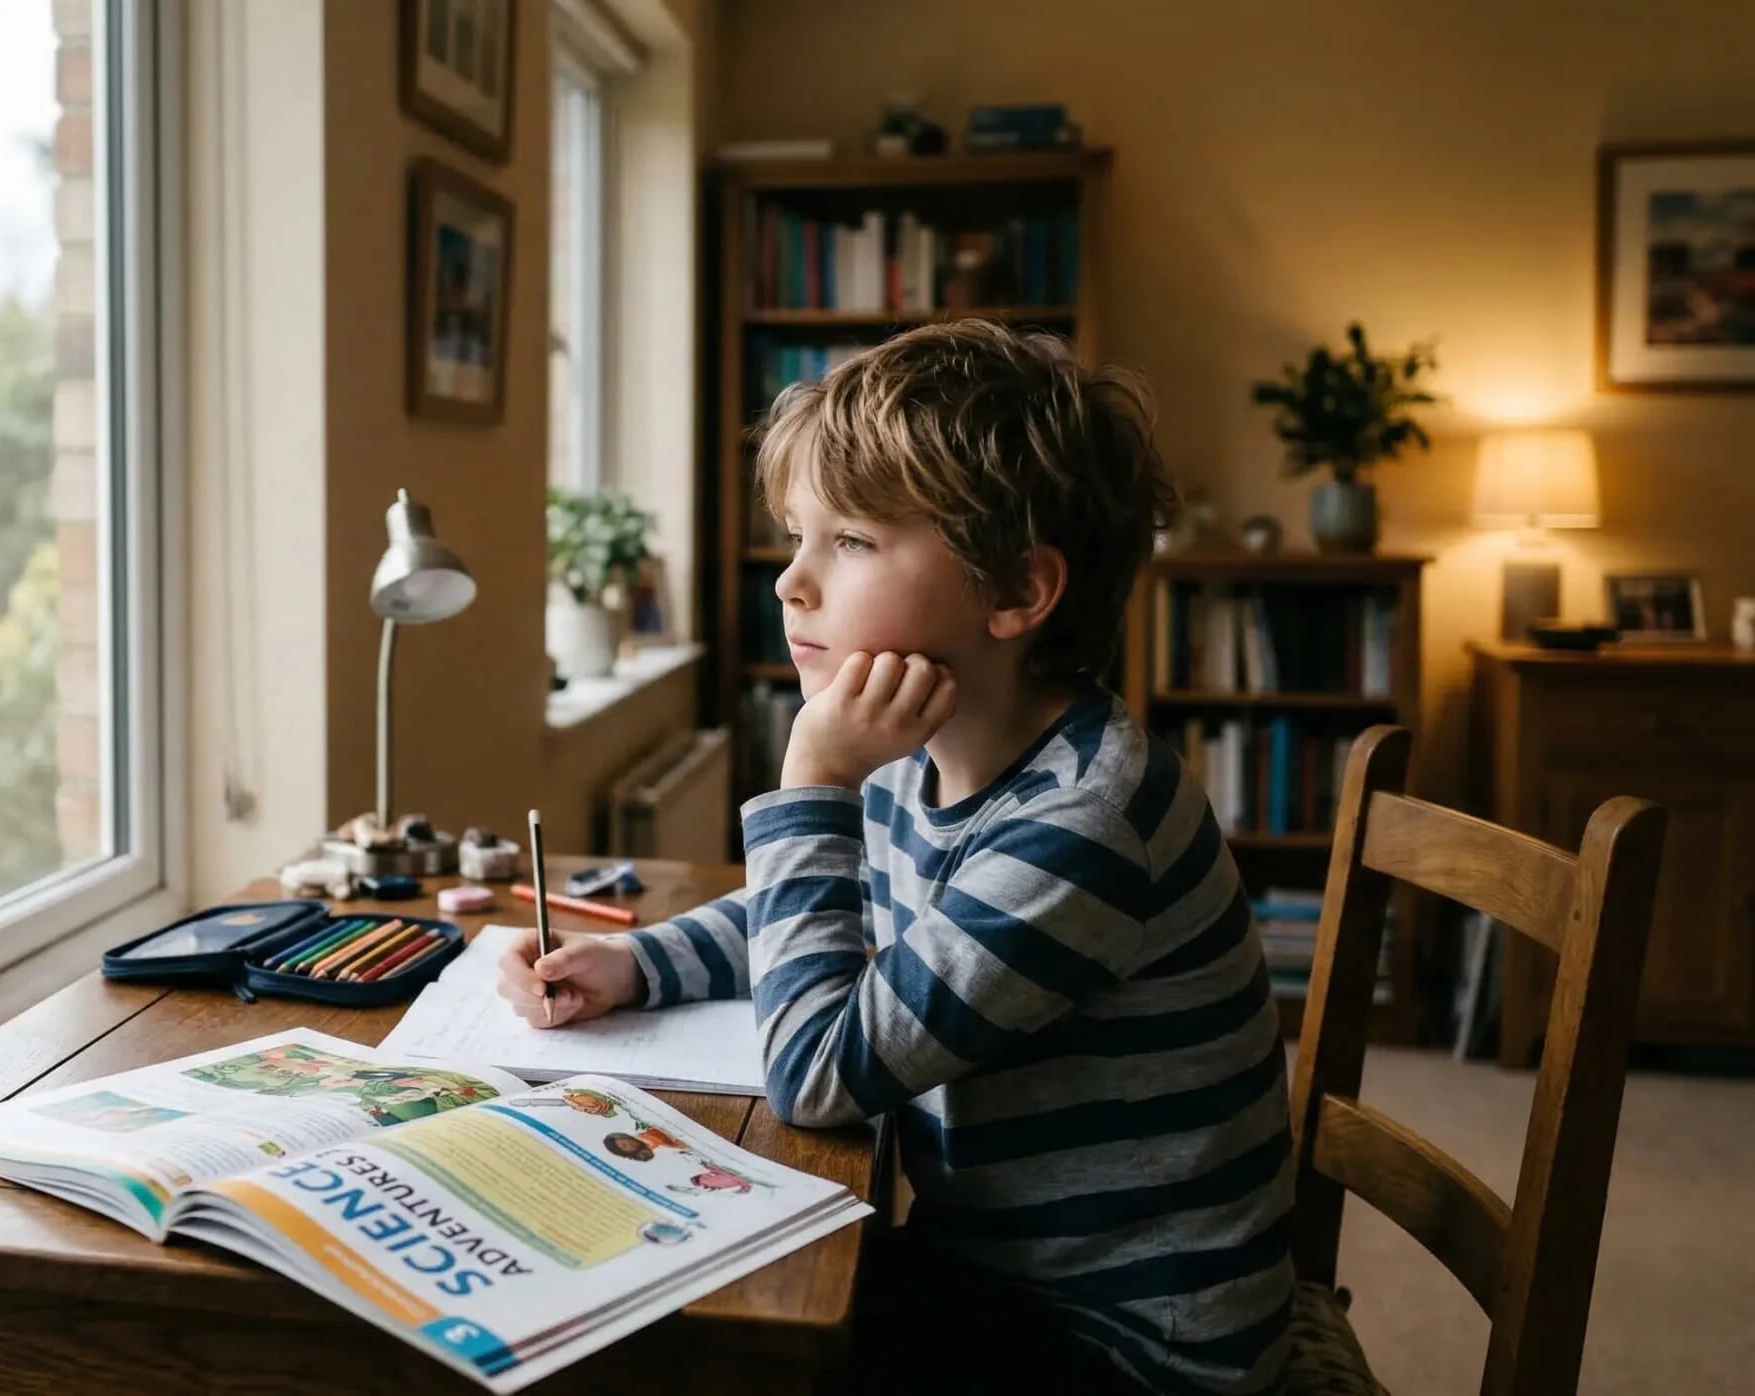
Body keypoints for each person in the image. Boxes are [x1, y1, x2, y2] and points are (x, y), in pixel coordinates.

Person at [496, 321, 1291, 1393]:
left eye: (851, 542)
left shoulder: (1085, 822)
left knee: (673, 1345)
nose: (791, 583)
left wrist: (808, 786)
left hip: (1127, 1346)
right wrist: (643, 963)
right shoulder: (929, 755)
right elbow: (862, 900)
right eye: (795, 535)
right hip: (995, 1268)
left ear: (1016, 591)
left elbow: (816, 1073)